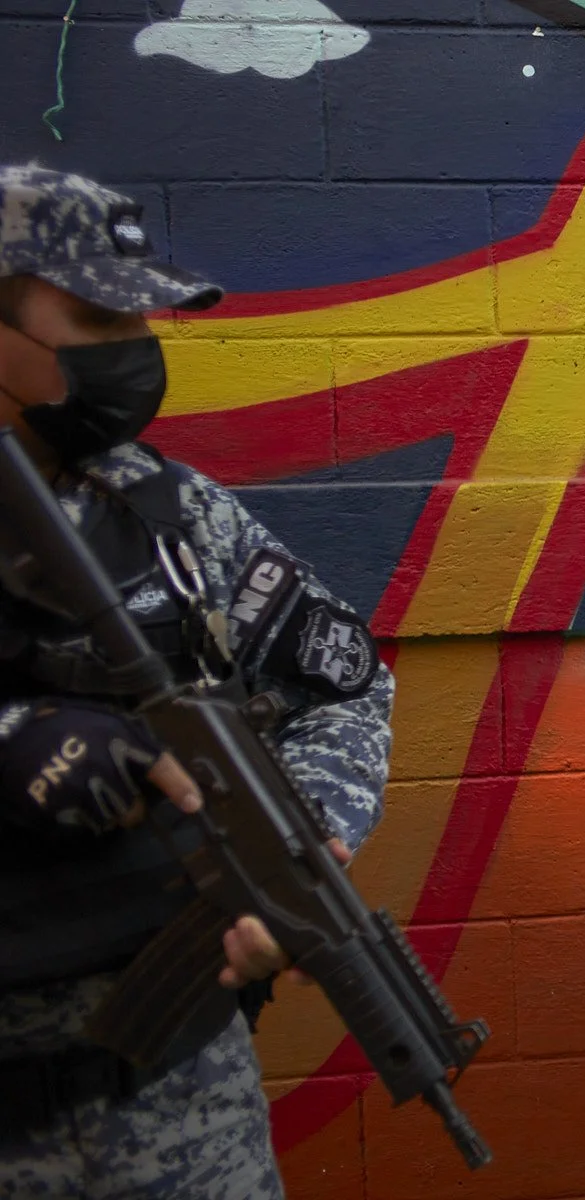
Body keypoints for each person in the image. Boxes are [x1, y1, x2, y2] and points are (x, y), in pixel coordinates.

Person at [0, 166, 393, 1198]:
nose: (134, 349)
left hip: (178, 1110)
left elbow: (343, 688)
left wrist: (291, 849)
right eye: (98, 317)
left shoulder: (170, 517)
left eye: (142, 319)